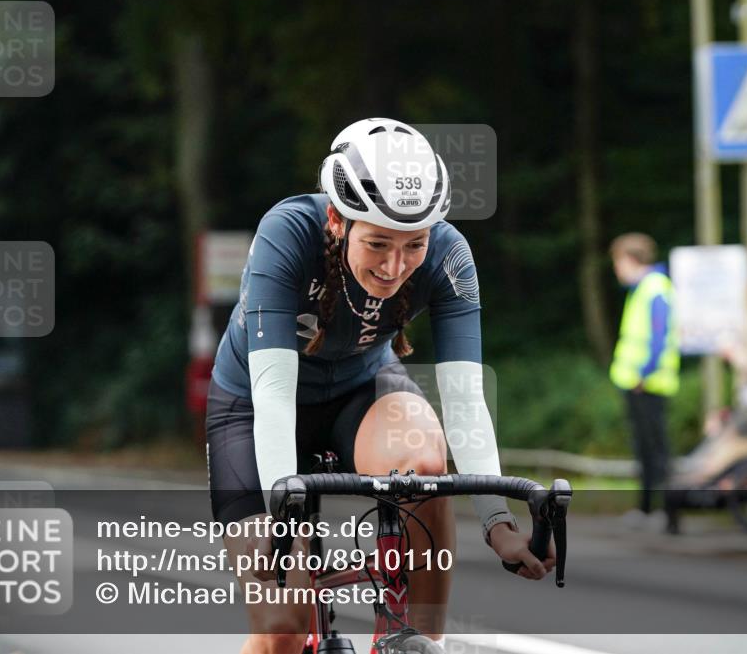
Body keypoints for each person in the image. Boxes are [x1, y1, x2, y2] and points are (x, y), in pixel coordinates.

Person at [207, 118, 555, 654]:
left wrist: (498, 521)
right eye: (377, 243)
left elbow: (464, 402)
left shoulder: (449, 253)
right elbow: (274, 396)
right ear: (336, 219)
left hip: (361, 391)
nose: (395, 267)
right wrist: (282, 525)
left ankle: (419, 640)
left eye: (413, 245)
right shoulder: (288, 232)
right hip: (256, 406)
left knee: (423, 463)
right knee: (282, 626)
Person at [609, 233, 680, 525]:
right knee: (646, 452)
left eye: (618, 262)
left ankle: (664, 511)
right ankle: (651, 509)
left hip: (647, 384)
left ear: (631, 260)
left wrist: (643, 374)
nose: (617, 269)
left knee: (656, 453)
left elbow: (659, 338)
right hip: (639, 383)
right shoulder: (643, 289)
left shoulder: (654, 289)